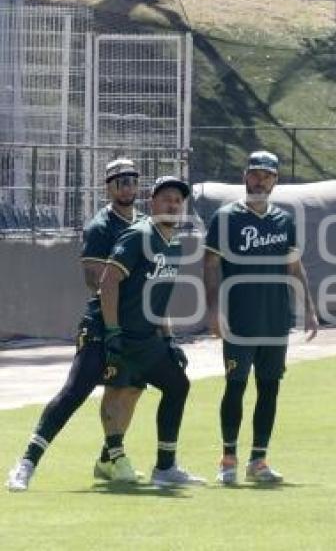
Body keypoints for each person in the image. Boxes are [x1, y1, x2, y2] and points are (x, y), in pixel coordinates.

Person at [7, 159, 146, 491]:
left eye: (132, 180)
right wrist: (124, 287)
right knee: (74, 393)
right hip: (100, 326)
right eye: (120, 181)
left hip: (135, 325)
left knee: (128, 389)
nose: (127, 187)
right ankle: (26, 463)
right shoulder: (101, 226)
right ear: (108, 188)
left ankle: (109, 459)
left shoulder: (144, 223)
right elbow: (93, 279)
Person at [204, 150, 319, 485]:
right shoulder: (226, 218)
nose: (260, 181)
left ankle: (258, 460)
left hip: (275, 319)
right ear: (245, 176)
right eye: (255, 174)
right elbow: (210, 267)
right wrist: (213, 310)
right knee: (235, 386)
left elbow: (294, 266)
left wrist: (309, 308)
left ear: (275, 181)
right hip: (239, 319)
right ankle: (228, 459)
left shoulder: (284, 220)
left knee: (269, 388)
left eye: (267, 176)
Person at [97, 175, 205, 487]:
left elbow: (159, 299)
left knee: (176, 385)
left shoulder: (175, 245)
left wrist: (169, 339)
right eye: (166, 199)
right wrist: (113, 331)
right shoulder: (138, 235)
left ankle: (164, 468)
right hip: (123, 336)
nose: (173, 205)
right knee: (110, 394)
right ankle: (109, 461)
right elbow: (108, 281)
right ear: (152, 203)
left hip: (147, 339)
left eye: (178, 200)